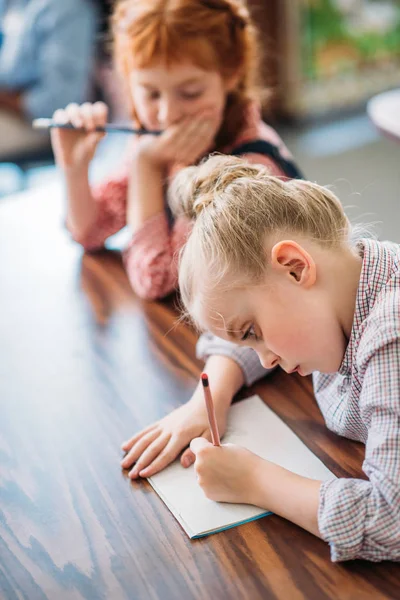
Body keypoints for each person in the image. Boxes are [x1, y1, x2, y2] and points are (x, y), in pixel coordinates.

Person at [131, 153, 400, 563]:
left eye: (252, 332)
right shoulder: (343, 286)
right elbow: (254, 319)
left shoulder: (391, 333)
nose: (267, 359)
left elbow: (390, 519)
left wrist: (255, 481)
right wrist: (211, 398)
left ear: (294, 268)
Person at [51, 0, 303, 302]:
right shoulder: (160, 142)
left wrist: (146, 167)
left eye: (190, 93)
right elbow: (90, 232)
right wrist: (74, 168)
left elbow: (156, 278)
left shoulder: (250, 168)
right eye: (151, 93)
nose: (168, 113)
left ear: (231, 74)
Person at [0, 0, 99, 160]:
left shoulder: (66, 9)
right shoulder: (12, 5)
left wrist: (5, 99)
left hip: (36, 123)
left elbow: (57, 105)